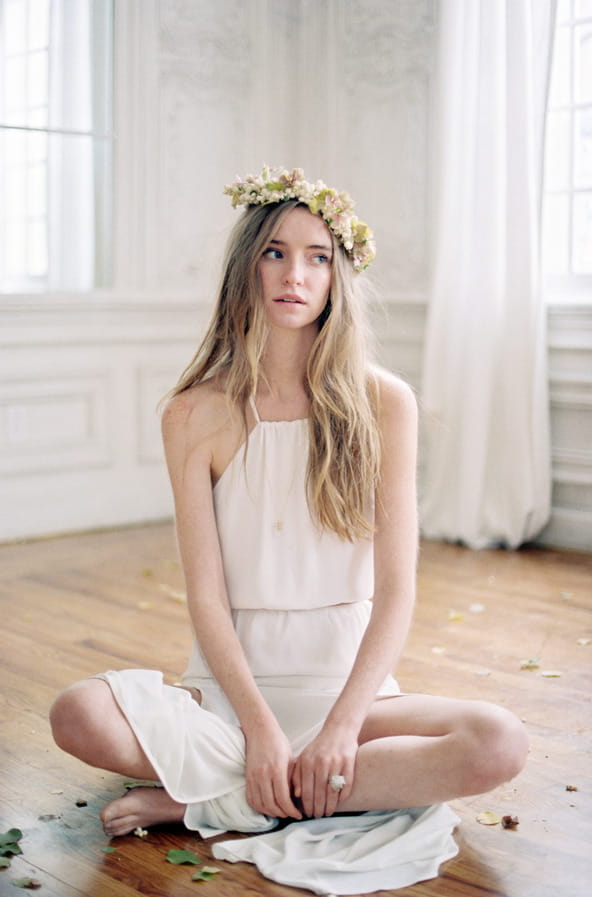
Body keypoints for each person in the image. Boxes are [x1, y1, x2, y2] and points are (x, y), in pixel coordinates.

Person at [50, 166, 528, 847]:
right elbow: (207, 597)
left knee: (498, 742)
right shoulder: (193, 412)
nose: (293, 274)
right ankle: (292, 783)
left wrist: (341, 723)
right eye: (274, 251)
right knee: (78, 713)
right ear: (247, 267)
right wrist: (259, 726)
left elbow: (395, 592)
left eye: (317, 257)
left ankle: (210, 799)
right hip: (228, 689)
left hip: (349, 689)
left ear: (338, 276)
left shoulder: (384, 402)